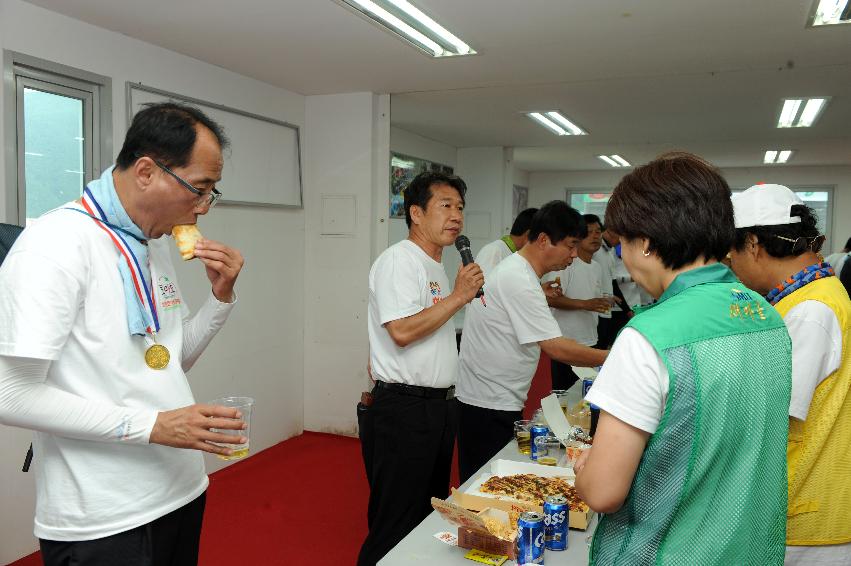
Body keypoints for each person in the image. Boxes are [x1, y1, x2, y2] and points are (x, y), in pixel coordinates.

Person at [0, 103, 245, 566]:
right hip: (104, 517)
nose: (204, 206)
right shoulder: (54, 245)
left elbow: (167, 360)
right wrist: (153, 425)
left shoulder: (151, 244)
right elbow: (9, 395)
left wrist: (220, 299)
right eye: (201, 188)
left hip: (180, 490)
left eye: (213, 191)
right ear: (147, 171)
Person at [574, 152, 792, 565]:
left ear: (648, 242)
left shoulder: (648, 336)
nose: (621, 255)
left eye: (623, 241)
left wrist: (588, 467)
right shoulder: (766, 315)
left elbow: (603, 492)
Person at [358, 171, 484, 566]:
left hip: (437, 407)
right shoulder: (399, 260)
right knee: (394, 521)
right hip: (404, 409)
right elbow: (401, 330)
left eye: (460, 207)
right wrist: (460, 296)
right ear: (415, 213)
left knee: (426, 514)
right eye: (445, 206)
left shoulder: (436, 265)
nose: (456, 216)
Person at [728, 184, 851, 565]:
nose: (730, 265)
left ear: (752, 244)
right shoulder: (813, 293)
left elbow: (769, 414)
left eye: (730, 254)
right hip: (802, 502)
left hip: (807, 511)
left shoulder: (809, 311)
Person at [456, 201, 608, 483]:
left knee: (488, 480)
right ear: (543, 240)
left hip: (495, 395)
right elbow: (555, 347)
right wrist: (613, 357)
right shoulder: (519, 278)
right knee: (483, 484)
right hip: (487, 401)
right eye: (570, 245)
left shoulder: (522, 273)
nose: (574, 254)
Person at [543, 213, 610, 390]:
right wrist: (585, 304)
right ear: (578, 237)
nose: (596, 236)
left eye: (598, 231)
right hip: (565, 343)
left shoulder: (597, 267)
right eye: (590, 232)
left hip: (590, 338)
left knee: (585, 392)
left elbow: (594, 298)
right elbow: (551, 299)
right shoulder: (566, 264)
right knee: (563, 393)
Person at [594, 226, 632, 349]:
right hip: (595, 307)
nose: (621, 241)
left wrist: (627, 310)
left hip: (606, 307)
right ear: (611, 231)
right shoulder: (595, 250)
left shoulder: (609, 251)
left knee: (604, 345)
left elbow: (612, 282)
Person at [475, 207, 538, 277]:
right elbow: (483, 286)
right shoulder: (494, 251)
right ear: (528, 235)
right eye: (541, 240)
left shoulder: (518, 254)